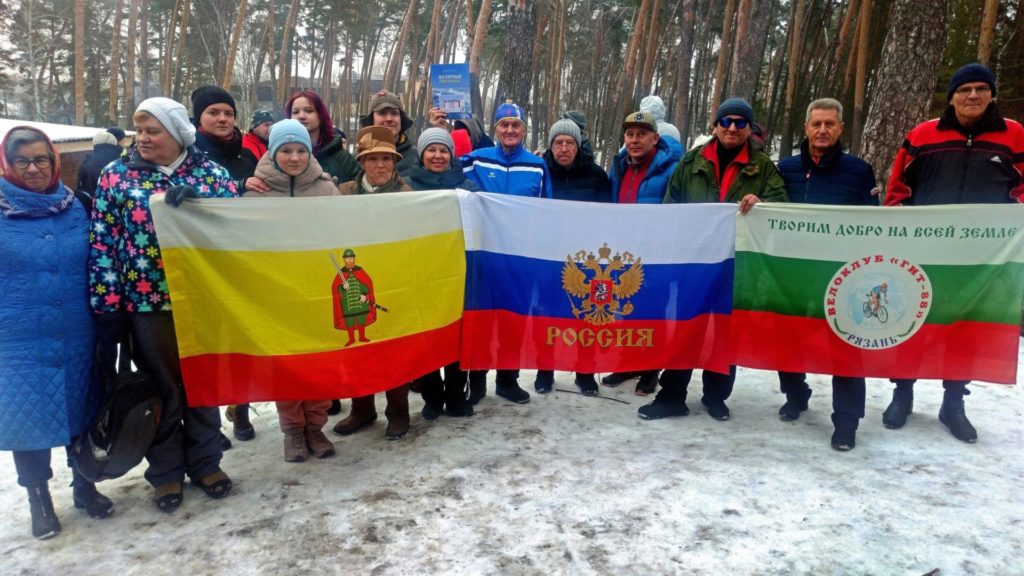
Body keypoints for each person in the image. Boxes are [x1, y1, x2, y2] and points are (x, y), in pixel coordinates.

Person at [89, 97, 237, 512]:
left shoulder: (212, 174)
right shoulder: (116, 177)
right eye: (139, 129)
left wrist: (202, 208)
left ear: (176, 135)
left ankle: (207, 462)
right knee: (164, 390)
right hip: (147, 304)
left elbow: (236, 230)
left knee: (203, 386)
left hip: (203, 300)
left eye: (153, 130)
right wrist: (109, 304)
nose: (143, 137)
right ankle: (166, 473)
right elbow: (102, 241)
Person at [882, 63, 1024, 443]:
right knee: (911, 319)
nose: (973, 96)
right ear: (952, 96)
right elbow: (897, 189)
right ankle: (903, 394)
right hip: (924, 251)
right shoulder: (923, 134)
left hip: (984, 259)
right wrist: (898, 224)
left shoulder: (1014, 135)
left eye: (981, 88)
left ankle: (953, 402)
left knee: (966, 329)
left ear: (992, 94)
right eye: (964, 90)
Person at [641, 97, 787, 423]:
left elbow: (781, 207)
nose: (732, 128)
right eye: (726, 121)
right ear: (715, 125)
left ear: (749, 128)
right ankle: (672, 396)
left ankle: (716, 396)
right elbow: (671, 204)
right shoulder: (693, 161)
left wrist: (762, 203)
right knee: (684, 328)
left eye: (740, 122)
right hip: (692, 261)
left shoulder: (762, 167)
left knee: (725, 332)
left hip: (737, 265)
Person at [1, 126, 114, 539]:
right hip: (17, 337)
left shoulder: (76, 206)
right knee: (26, 422)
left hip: (77, 330)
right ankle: (38, 500)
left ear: (54, 162)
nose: (33, 168)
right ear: (8, 165)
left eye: (41, 159)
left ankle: (84, 487)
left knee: (82, 411)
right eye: (23, 161)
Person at [775, 97, 878, 451]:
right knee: (788, 341)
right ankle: (796, 394)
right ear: (806, 128)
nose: (822, 130)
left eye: (829, 124)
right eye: (816, 124)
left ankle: (846, 422)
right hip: (793, 276)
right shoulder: (785, 168)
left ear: (840, 129)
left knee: (846, 350)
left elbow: (874, 224)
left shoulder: (859, 171)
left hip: (844, 280)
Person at [244, 119, 339, 462]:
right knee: (284, 366)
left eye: (301, 150)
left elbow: (344, 233)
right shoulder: (255, 190)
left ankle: (316, 426)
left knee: (318, 363)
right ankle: (293, 432)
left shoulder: (327, 188)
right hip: (276, 294)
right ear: (273, 152)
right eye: (285, 150)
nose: (294, 157)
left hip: (316, 290)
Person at [460, 100, 554, 405]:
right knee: (482, 319)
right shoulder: (476, 160)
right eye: (504, 125)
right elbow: (443, 171)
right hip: (483, 257)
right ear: (495, 129)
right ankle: (477, 381)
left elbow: (548, 210)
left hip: (519, 258)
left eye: (516, 125)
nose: (510, 130)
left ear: (524, 130)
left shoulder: (537, 165)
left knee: (513, 320)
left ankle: (507, 379)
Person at [333, 126, 413, 441]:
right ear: (362, 162)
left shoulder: (408, 196)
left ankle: (398, 411)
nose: (380, 165)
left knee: (394, 348)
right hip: (355, 281)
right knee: (357, 346)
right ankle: (362, 408)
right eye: (373, 159)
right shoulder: (343, 193)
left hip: (393, 281)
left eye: (386, 159)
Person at [189, 85, 259, 445]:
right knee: (211, 348)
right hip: (204, 265)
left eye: (227, 113)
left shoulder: (246, 154)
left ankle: (242, 410)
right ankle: (210, 422)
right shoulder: (189, 157)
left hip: (241, 260)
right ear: (199, 118)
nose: (222, 119)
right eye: (213, 112)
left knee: (242, 341)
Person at [602, 110, 681, 395]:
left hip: (657, 254)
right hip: (625, 253)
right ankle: (628, 363)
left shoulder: (671, 167)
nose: (635, 140)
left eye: (641, 134)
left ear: (655, 138)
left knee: (655, 312)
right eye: (630, 134)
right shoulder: (620, 165)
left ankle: (651, 369)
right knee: (625, 307)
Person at [533, 118, 611, 395]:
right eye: (558, 143)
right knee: (548, 313)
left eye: (569, 143)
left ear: (578, 146)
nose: (564, 148)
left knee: (586, 315)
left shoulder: (597, 175)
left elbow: (609, 217)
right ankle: (545, 369)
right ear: (550, 147)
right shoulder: (540, 172)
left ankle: (585, 371)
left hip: (586, 259)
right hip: (549, 256)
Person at [405, 127, 478, 419]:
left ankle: (457, 397)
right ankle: (432, 397)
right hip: (421, 272)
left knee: (458, 336)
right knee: (427, 336)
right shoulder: (407, 188)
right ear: (422, 155)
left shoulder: (469, 188)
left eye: (443, 150)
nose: (438, 155)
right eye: (431, 150)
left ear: (451, 154)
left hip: (458, 272)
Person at [286, 90, 359, 184]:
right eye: (295, 112)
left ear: (320, 116)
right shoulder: (279, 155)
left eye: (309, 111)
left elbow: (360, 189)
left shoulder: (342, 158)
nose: (301, 116)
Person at [359, 90, 418, 177]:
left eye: (394, 113)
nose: (389, 119)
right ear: (372, 120)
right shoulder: (358, 158)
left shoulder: (418, 157)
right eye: (382, 113)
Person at [76, 127, 124, 204]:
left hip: (90, 202)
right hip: (114, 203)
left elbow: (80, 183)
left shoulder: (88, 159)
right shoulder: (120, 159)